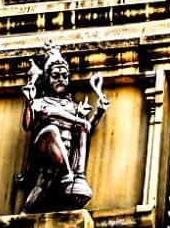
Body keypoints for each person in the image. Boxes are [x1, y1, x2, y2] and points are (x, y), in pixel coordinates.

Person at [20, 44, 108, 211]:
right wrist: (29, 102)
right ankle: (69, 175)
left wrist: (99, 111)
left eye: (64, 76)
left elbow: (86, 128)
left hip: (65, 154)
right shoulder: (41, 102)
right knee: (51, 130)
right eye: (55, 76)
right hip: (45, 148)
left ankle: (25, 214)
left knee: (43, 184)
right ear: (47, 78)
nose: (61, 79)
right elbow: (29, 124)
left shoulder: (73, 106)